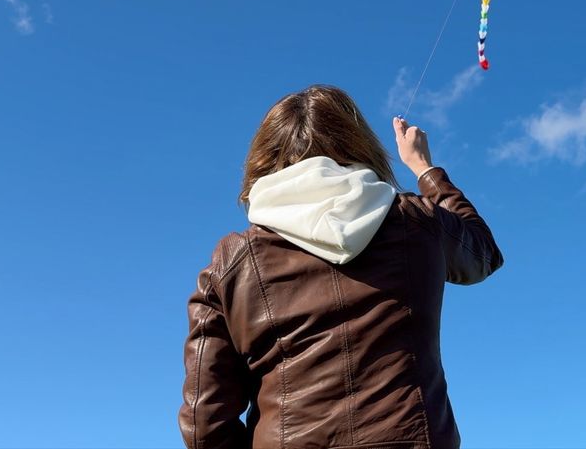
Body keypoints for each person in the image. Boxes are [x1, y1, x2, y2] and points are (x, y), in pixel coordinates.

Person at [179, 84, 503, 449]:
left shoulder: (231, 261)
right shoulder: (416, 220)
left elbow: (204, 421)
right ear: (359, 145)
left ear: (262, 161)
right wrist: (424, 167)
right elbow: (483, 254)